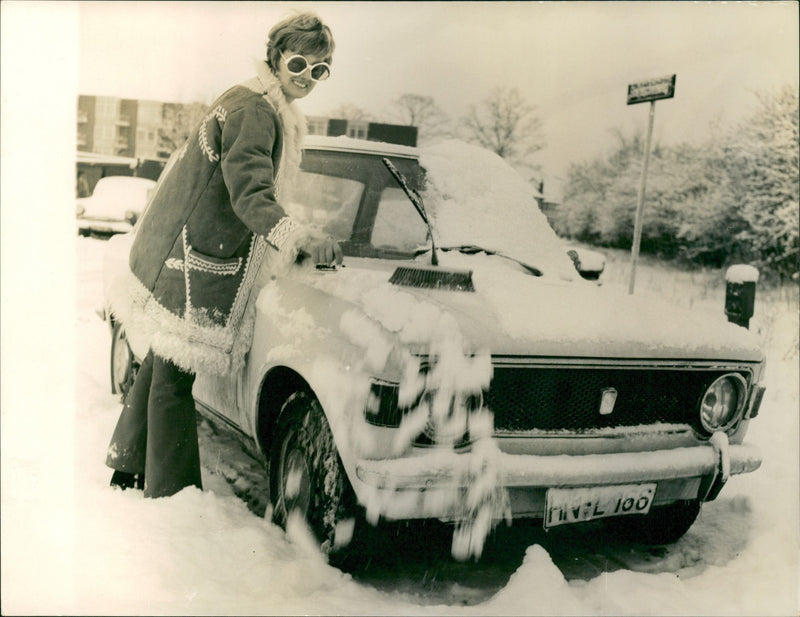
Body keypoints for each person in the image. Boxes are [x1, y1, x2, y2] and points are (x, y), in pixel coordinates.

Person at [104, 12, 341, 498]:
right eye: (299, 63)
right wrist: (298, 237)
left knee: (164, 358)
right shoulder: (255, 111)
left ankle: (127, 465)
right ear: (276, 56)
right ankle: (172, 497)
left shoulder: (252, 101)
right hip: (193, 257)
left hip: (182, 248)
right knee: (174, 375)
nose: (308, 78)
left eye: (321, 70)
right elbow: (251, 193)